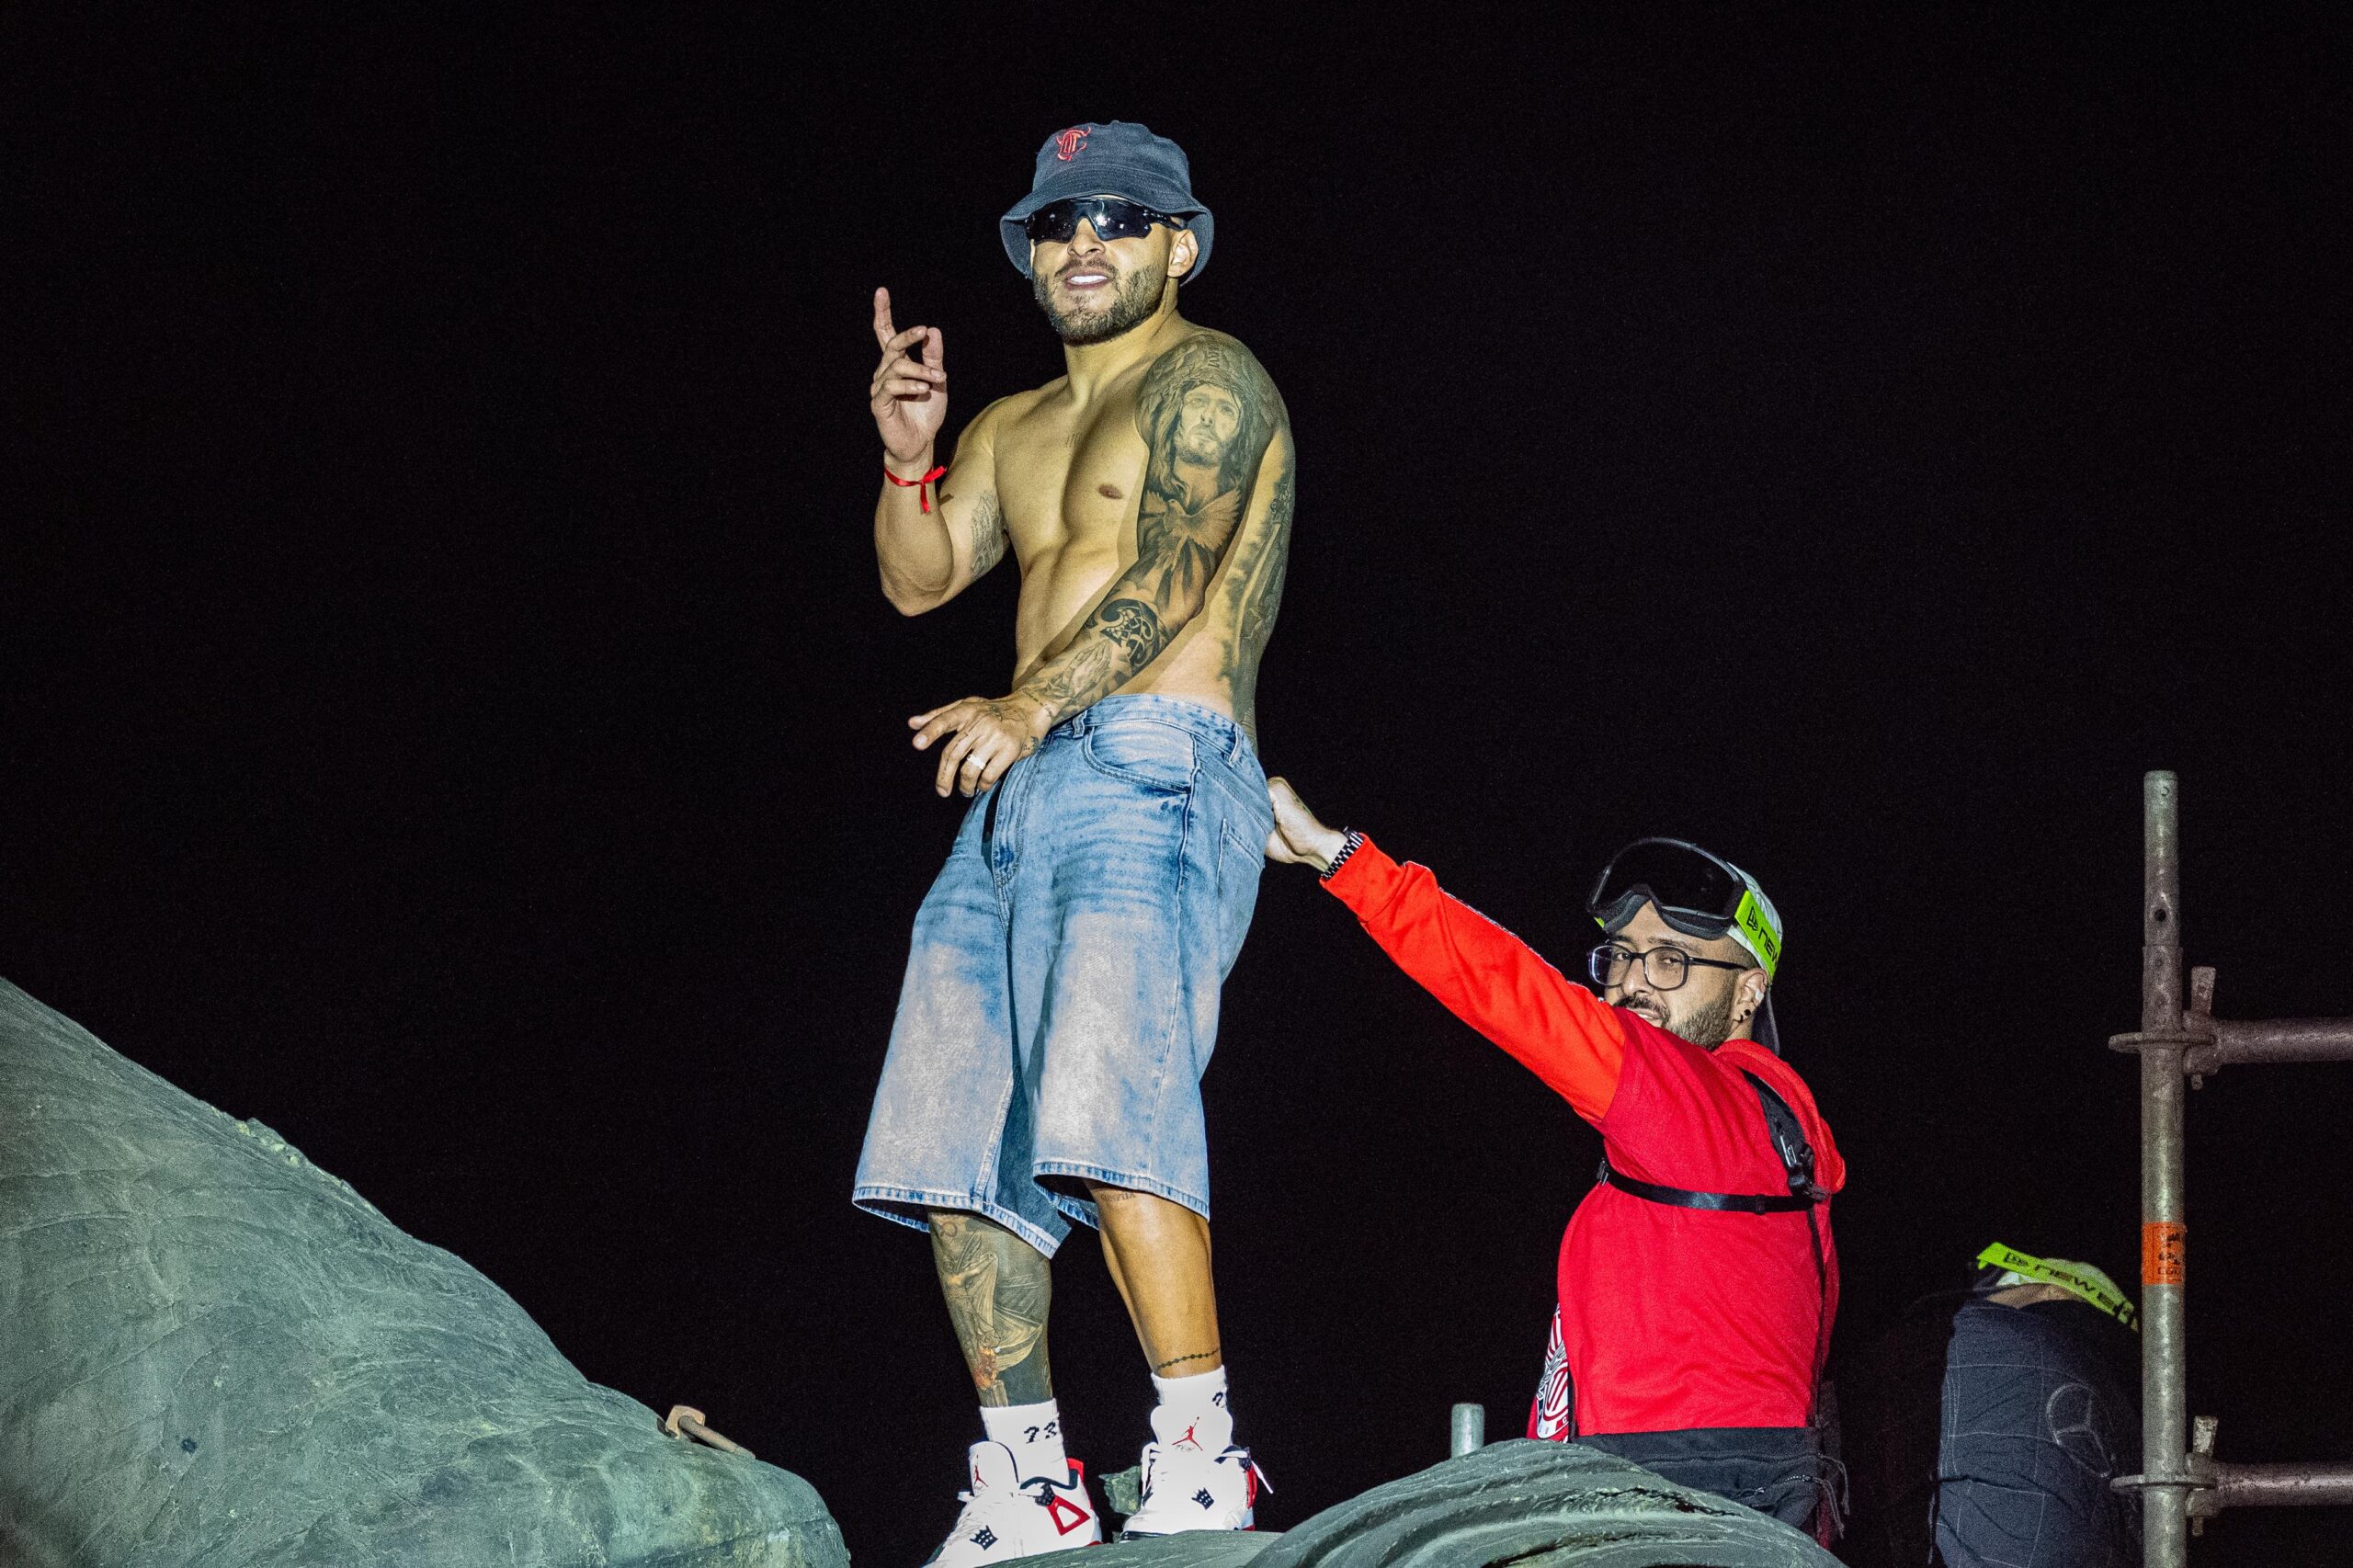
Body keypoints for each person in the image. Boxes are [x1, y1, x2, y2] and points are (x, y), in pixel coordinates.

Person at [851, 121, 1291, 1563]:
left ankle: (1202, 1451)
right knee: (950, 1139)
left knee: (1112, 1100)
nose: (1084, 243)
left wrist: (1033, 702)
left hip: (1151, 757)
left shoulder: (1211, 378)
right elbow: (922, 582)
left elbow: (1178, 568)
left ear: (1180, 244)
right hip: (1021, 780)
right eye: (1056, 223)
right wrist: (910, 458)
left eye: (1117, 217)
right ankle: (1032, 1476)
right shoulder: (1013, 424)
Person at [1263, 781, 1845, 1537]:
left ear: (1748, 993)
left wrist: (1339, 858)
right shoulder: (1763, 1144)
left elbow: (1516, 994)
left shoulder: (1708, 1115)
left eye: (1672, 960)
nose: (1632, 982)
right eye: (1622, 956)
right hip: (1682, 1491)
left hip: (1671, 1500)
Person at [1844, 1244, 2142, 1568]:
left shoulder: (1973, 1335)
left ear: (2053, 1291)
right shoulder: (2133, 1416)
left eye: (2003, 1290)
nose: (1985, 1301)